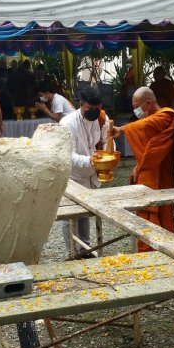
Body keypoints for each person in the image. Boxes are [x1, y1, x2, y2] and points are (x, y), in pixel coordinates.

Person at [108, 87, 174, 252]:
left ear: (148, 103)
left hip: (161, 174)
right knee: (145, 212)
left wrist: (123, 129)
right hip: (148, 169)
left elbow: (151, 140)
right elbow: (149, 149)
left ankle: (167, 250)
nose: (135, 110)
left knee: (162, 211)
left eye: (137, 106)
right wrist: (139, 165)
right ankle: (148, 250)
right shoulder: (150, 118)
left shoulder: (167, 115)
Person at [58, 86, 110, 256]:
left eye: (97, 108)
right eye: (89, 109)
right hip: (71, 174)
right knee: (70, 215)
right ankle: (71, 252)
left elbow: (107, 142)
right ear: (80, 104)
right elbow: (67, 155)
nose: (93, 112)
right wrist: (89, 160)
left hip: (90, 174)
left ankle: (85, 249)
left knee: (85, 213)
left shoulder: (102, 118)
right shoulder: (67, 123)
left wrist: (108, 156)